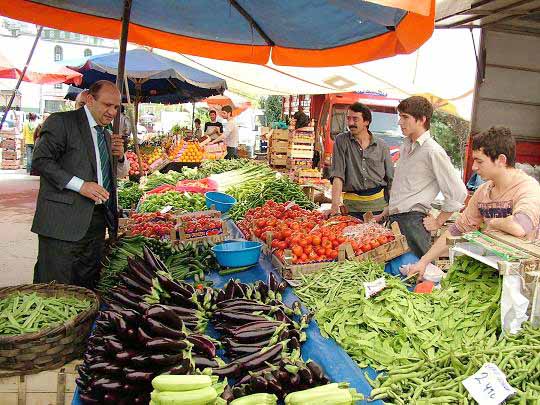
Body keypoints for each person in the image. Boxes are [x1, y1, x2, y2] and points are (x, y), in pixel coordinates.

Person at [31, 80, 129, 289]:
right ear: (90, 100)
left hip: (96, 222)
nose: (112, 112)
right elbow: (41, 160)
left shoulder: (107, 134)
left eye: (116, 107)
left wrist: (120, 158)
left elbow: (118, 175)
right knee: (55, 286)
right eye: (107, 105)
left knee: (86, 285)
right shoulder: (62, 122)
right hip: (62, 223)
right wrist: (81, 185)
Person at [407, 126, 540, 278]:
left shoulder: (528, 188)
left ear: (501, 160)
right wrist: (424, 261)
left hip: (524, 278)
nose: (474, 167)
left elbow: (519, 227)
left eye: (479, 161)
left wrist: (494, 223)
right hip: (492, 270)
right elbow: (457, 230)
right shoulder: (483, 191)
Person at [377, 96, 467, 258]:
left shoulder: (432, 150)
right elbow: (404, 188)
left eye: (405, 117)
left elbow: (458, 192)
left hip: (414, 224)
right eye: (400, 117)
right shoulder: (406, 146)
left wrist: (439, 221)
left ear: (421, 120)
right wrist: (387, 211)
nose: (399, 122)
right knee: (397, 275)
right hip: (397, 221)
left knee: (418, 276)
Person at [328, 102, 394, 219]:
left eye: (355, 119)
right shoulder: (341, 141)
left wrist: (390, 208)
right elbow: (338, 175)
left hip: (378, 208)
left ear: (366, 122)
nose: (350, 123)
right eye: (348, 119)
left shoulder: (382, 146)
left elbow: (391, 179)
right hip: (351, 208)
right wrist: (335, 205)